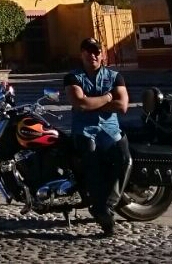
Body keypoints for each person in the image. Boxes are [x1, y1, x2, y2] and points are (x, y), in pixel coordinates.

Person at [64, 37, 129, 236]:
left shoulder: (114, 76)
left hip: (110, 130)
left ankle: (106, 206)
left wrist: (93, 102)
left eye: (96, 51)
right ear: (81, 54)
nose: (92, 54)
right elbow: (80, 104)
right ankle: (99, 207)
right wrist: (109, 97)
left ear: (102, 54)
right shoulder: (73, 77)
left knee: (123, 159)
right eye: (88, 51)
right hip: (84, 130)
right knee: (90, 161)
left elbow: (123, 106)